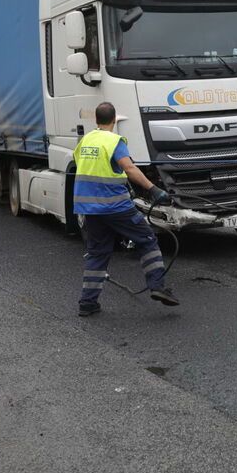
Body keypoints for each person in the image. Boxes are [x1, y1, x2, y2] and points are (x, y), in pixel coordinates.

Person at [73, 102, 179, 316]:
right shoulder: (114, 141)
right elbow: (129, 168)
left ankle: (87, 303)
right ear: (114, 121)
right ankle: (157, 286)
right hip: (115, 206)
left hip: (89, 208)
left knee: (97, 253)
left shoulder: (85, 140)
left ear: (96, 120)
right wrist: (153, 189)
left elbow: (83, 166)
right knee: (146, 239)